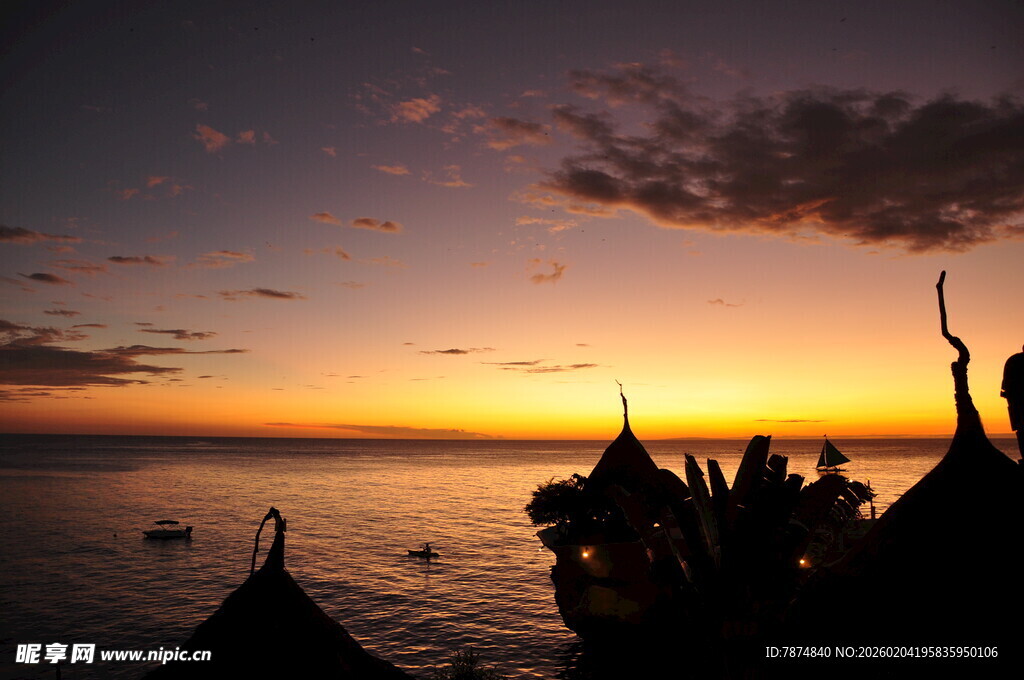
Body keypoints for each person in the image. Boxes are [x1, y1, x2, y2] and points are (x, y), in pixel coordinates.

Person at [1001, 344, 1024, 459]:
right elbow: (1006, 389)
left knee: (1021, 431)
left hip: (1015, 405)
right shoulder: (1014, 361)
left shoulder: (1013, 360)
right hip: (1017, 405)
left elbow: (1005, 389)